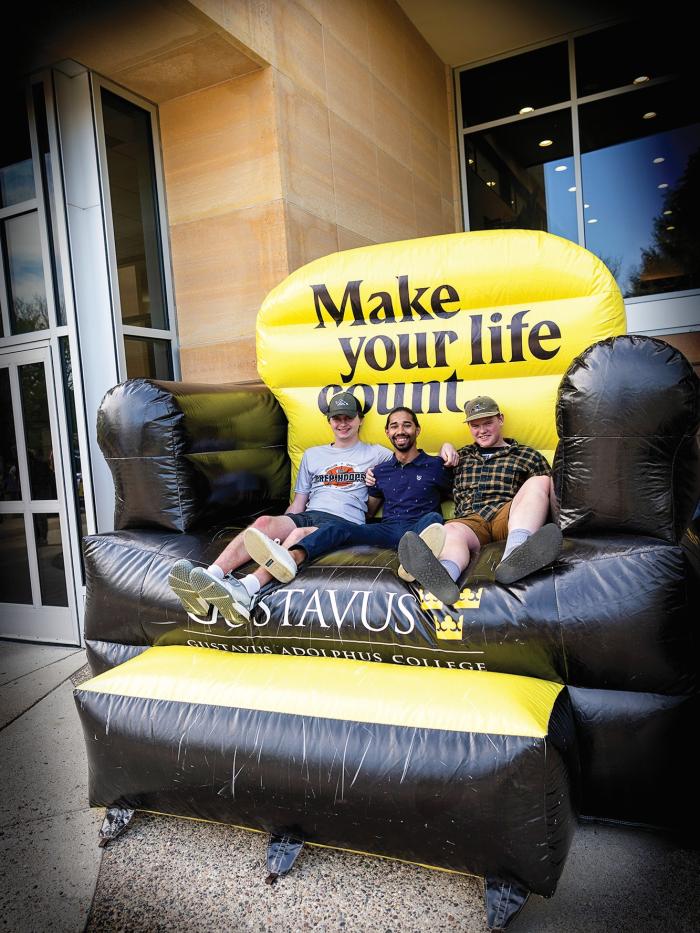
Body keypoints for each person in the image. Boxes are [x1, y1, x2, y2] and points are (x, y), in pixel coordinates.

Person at [169, 391, 394, 621]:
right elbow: (298, 503)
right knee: (264, 523)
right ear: (329, 420)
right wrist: (278, 528)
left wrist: (375, 486)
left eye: (349, 417)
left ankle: (247, 589)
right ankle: (210, 577)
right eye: (337, 418)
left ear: (360, 419)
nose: (343, 424)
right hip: (311, 513)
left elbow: (377, 502)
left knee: (298, 534)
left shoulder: (379, 455)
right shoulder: (313, 455)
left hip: (343, 522)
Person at [241, 406, 454, 600]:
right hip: (388, 530)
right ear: (387, 432)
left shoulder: (437, 465)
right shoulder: (380, 471)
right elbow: (369, 511)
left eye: (407, 425)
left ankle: (411, 564)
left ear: (417, 430)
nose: (400, 431)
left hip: (419, 526)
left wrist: (448, 447)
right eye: (394, 426)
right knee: (338, 527)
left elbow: (458, 494)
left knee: (435, 519)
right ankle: (290, 557)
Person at [398, 395, 562, 604]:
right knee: (450, 530)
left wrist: (560, 528)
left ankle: (515, 555)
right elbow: (428, 478)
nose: (482, 430)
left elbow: (549, 494)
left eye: (487, 423)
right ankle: (444, 576)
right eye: (475, 426)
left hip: (508, 516)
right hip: (470, 522)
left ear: (500, 419)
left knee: (540, 481)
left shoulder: (527, 455)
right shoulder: (461, 456)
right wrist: (443, 451)